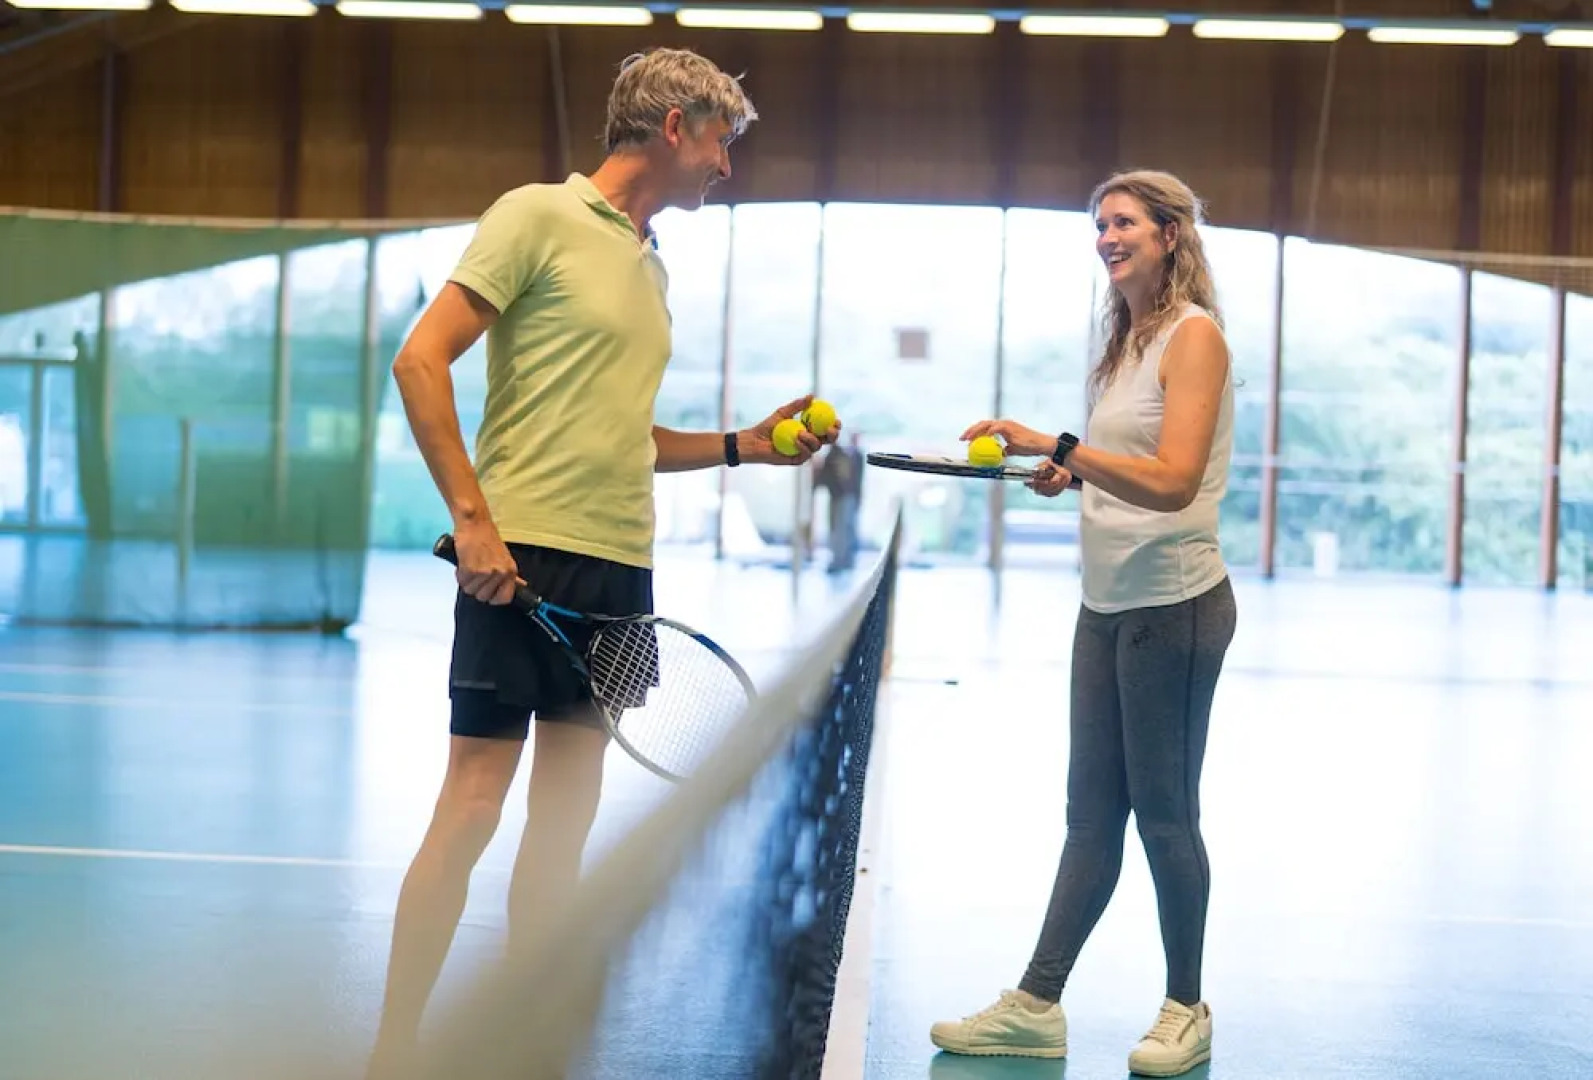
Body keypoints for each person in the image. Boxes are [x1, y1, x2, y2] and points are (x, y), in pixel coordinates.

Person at [366, 47, 838, 1078]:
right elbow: (420, 359)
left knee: (563, 823)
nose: (726, 165)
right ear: (675, 127)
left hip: (620, 570)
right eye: (721, 141)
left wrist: (741, 447)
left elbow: (624, 433)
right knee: (474, 805)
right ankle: (394, 1052)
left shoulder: (652, 261)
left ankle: (527, 1052)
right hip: (521, 555)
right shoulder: (535, 216)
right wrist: (475, 523)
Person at [929, 169, 1238, 1078]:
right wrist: (1072, 473)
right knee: (1088, 817)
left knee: (1165, 818)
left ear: (1170, 234)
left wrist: (1057, 445)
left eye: (1125, 223)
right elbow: (1127, 464)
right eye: (1100, 224)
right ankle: (1035, 1004)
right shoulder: (1126, 340)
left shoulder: (1195, 338)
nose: (1108, 237)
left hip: (1173, 607)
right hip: (1103, 603)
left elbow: (1176, 479)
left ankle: (1187, 1007)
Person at [814, 432, 864, 572]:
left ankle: (840, 560)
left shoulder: (841, 456)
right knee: (840, 528)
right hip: (839, 496)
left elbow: (846, 478)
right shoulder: (836, 456)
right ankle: (841, 559)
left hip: (842, 497)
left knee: (841, 528)